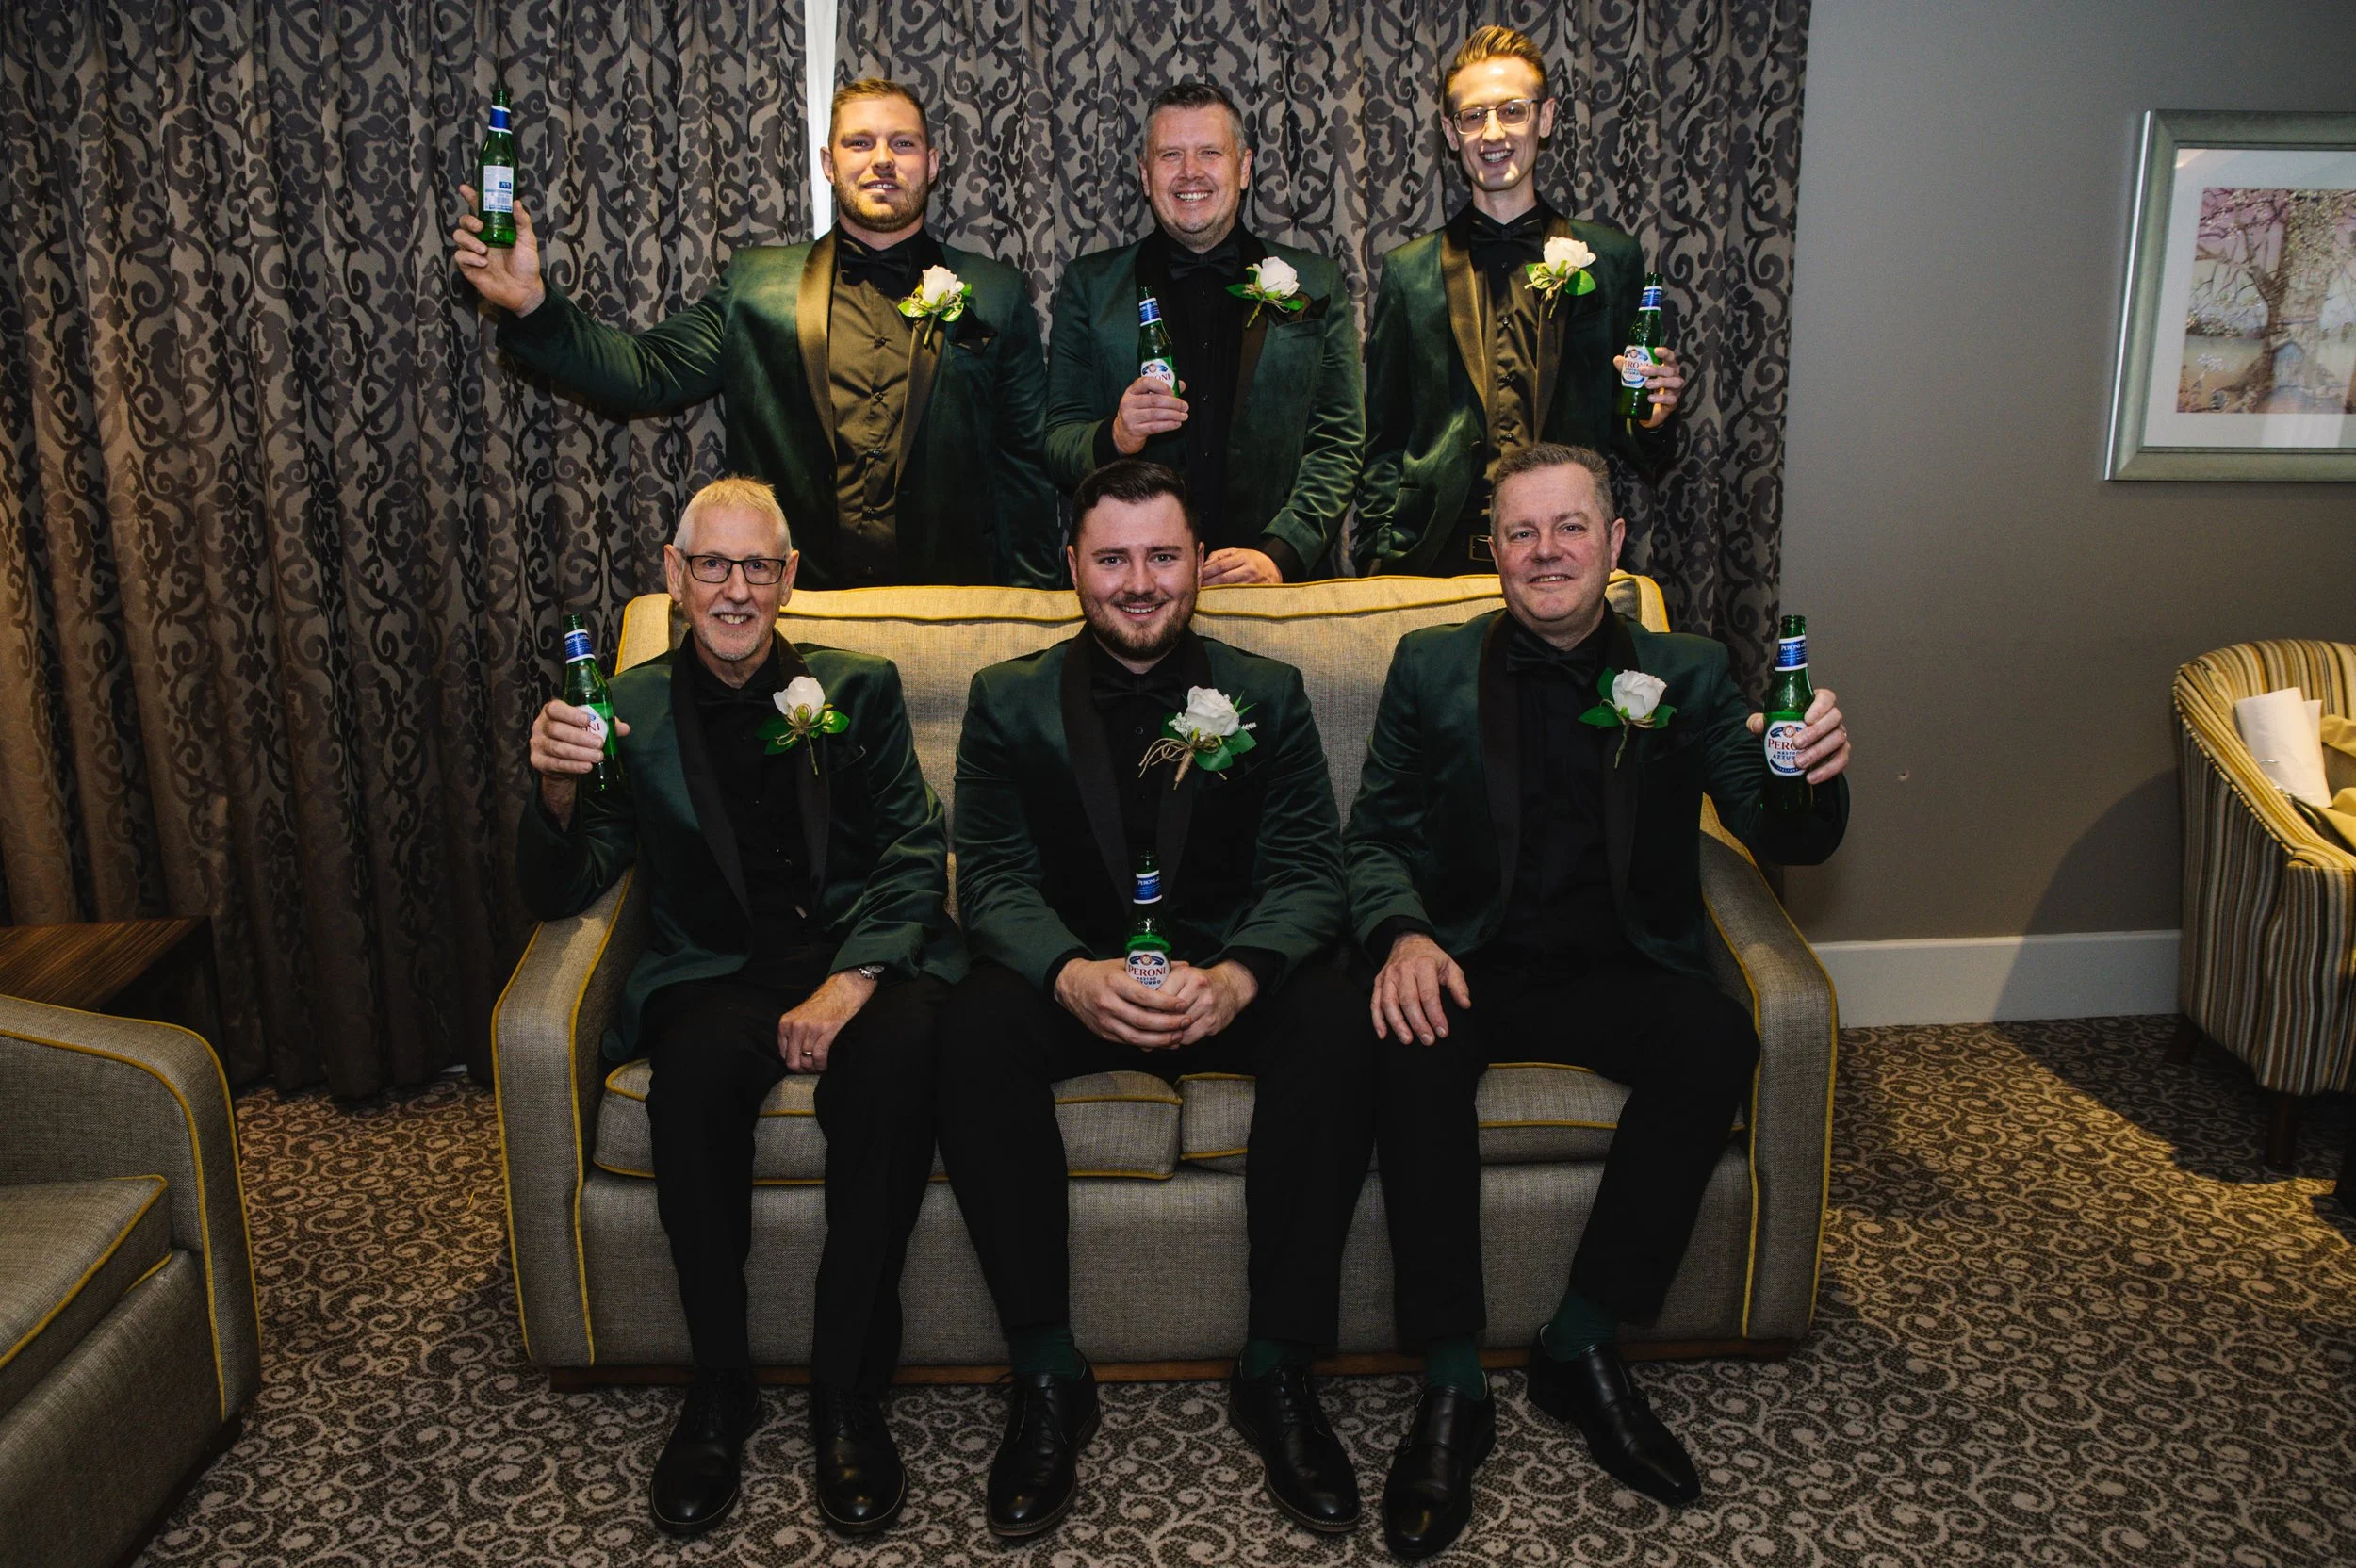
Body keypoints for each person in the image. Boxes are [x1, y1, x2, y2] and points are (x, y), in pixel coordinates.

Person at [1343, 443, 1852, 1558]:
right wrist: (1405, 933)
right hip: (1472, 961)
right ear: (1492, 552)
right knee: (1407, 1039)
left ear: (1614, 542)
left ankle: (1578, 1340)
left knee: (1715, 1035)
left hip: (1619, 966)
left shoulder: (1690, 672)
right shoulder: (1430, 664)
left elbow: (1777, 829)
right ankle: (1451, 1376)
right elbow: (1373, 835)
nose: (1545, 551)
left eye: (1569, 526)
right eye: (1520, 532)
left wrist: (1807, 771)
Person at [936, 458, 1375, 1540]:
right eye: (1114, 557)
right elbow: (988, 877)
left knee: (1331, 1013)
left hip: (1221, 976)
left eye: (1163, 555)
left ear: (1198, 561)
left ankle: (1278, 1366)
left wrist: (1238, 974)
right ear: (1072, 565)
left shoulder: (1268, 691)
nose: (1139, 581)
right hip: (1078, 981)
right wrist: (1067, 973)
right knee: (971, 1024)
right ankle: (1047, 1370)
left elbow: (1310, 870)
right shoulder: (1006, 697)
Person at [515, 476, 963, 1539]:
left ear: (789, 578)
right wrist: (555, 791)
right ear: (674, 575)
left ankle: (847, 1391)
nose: (735, 589)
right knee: (692, 1083)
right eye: (712, 565)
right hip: (717, 972)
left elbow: (914, 849)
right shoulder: (624, 711)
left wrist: (851, 980)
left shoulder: (857, 687)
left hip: (853, 961)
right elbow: (565, 886)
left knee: (899, 1068)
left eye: (757, 566)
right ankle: (719, 1385)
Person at [453, 79, 1058, 589]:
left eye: (903, 143)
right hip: (795, 609)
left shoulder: (997, 292)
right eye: (859, 142)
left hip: (951, 609)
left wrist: (1033, 617)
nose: (882, 159)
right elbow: (644, 373)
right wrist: (531, 303)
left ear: (932, 161)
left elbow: (1025, 471)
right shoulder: (755, 286)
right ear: (828, 163)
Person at [1355, 26, 1689, 576]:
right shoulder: (1406, 272)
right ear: (1451, 132)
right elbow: (1384, 441)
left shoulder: (1612, 260)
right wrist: (1376, 561)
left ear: (1546, 118)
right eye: (1473, 116)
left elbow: (1637, 443)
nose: (1493, 133)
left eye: (1512, 111)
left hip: (1565, 561)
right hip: (1435, 563)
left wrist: (1653, 422)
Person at [1044, 83, 1364, 582]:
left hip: (1275, 590)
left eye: (1210, 153)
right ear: (1146, 175)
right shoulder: (1090, 286)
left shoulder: (1317, 281)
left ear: (1244, 167)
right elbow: (1057, 441)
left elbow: (1339, 441)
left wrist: (1280, 553)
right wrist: (1117, 435)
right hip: (1133, 589)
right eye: (1170, 155)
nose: (1190, 171)